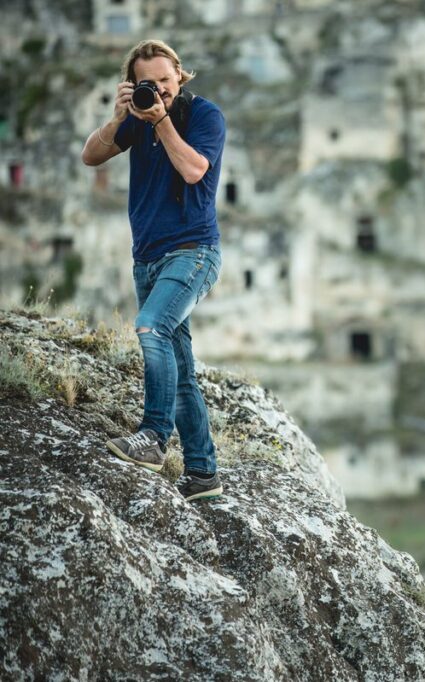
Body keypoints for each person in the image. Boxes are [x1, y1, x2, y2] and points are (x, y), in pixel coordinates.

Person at [81, 39, 226, 502]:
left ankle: (154, 437)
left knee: (150, 328)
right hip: (146, 259)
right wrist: (119, 118)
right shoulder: (134, 120)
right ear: (133, 84)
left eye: (165, 81)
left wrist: (160, 120)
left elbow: (194, 171)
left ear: (179, 75)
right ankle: (203, 476)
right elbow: (91, 156)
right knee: (180, 371)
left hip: (193, 252)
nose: (158, 90)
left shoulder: (203, 115)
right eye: (148, 84)